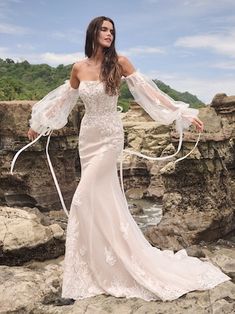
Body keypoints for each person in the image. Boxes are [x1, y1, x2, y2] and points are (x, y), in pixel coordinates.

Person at [14, 16, 230, 302]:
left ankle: (97, 269)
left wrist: (181, 112)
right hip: (88, 138)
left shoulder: (120, 62)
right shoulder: (79, 67)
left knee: (80, 200)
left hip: (110, 138)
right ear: (92, 32)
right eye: (103, 29)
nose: (108, 34)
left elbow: (148, 92)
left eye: (112, 31)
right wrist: (39, 123)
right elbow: (64, 99)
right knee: (100, 202)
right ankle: (97, 267)